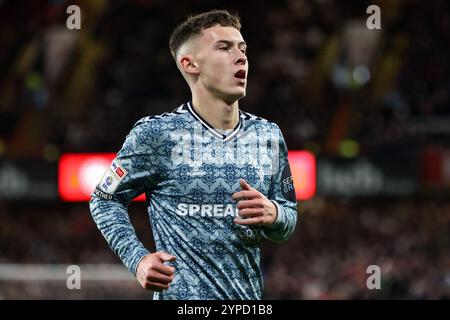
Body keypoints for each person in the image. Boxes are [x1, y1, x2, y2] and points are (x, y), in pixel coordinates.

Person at [89, 9, 298, 300]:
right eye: (224, 48)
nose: (241, 57)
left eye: (242, 48)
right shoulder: (157, 135)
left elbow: (288, 218)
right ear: (190, 64)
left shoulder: (268, 136)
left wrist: (274, 214)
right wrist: (137, 259)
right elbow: (105, 199)